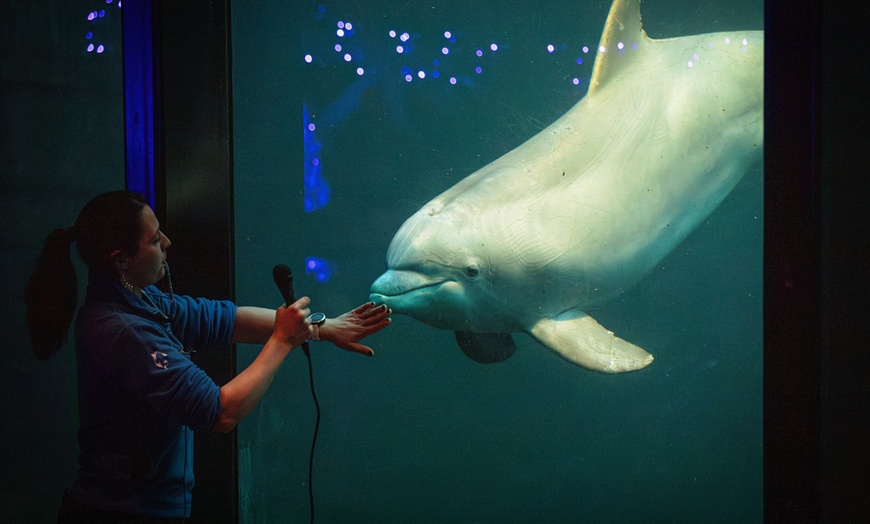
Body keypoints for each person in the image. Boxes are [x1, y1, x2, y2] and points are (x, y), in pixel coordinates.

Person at [25, 191, 391, 523]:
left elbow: (226, 319)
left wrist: (320, 329)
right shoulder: (123, 330)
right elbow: (222, 411)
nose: (166, 242)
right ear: (121, 260)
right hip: (121, 513)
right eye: (154, 240)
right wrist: (283, 341)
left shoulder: (140, 300)